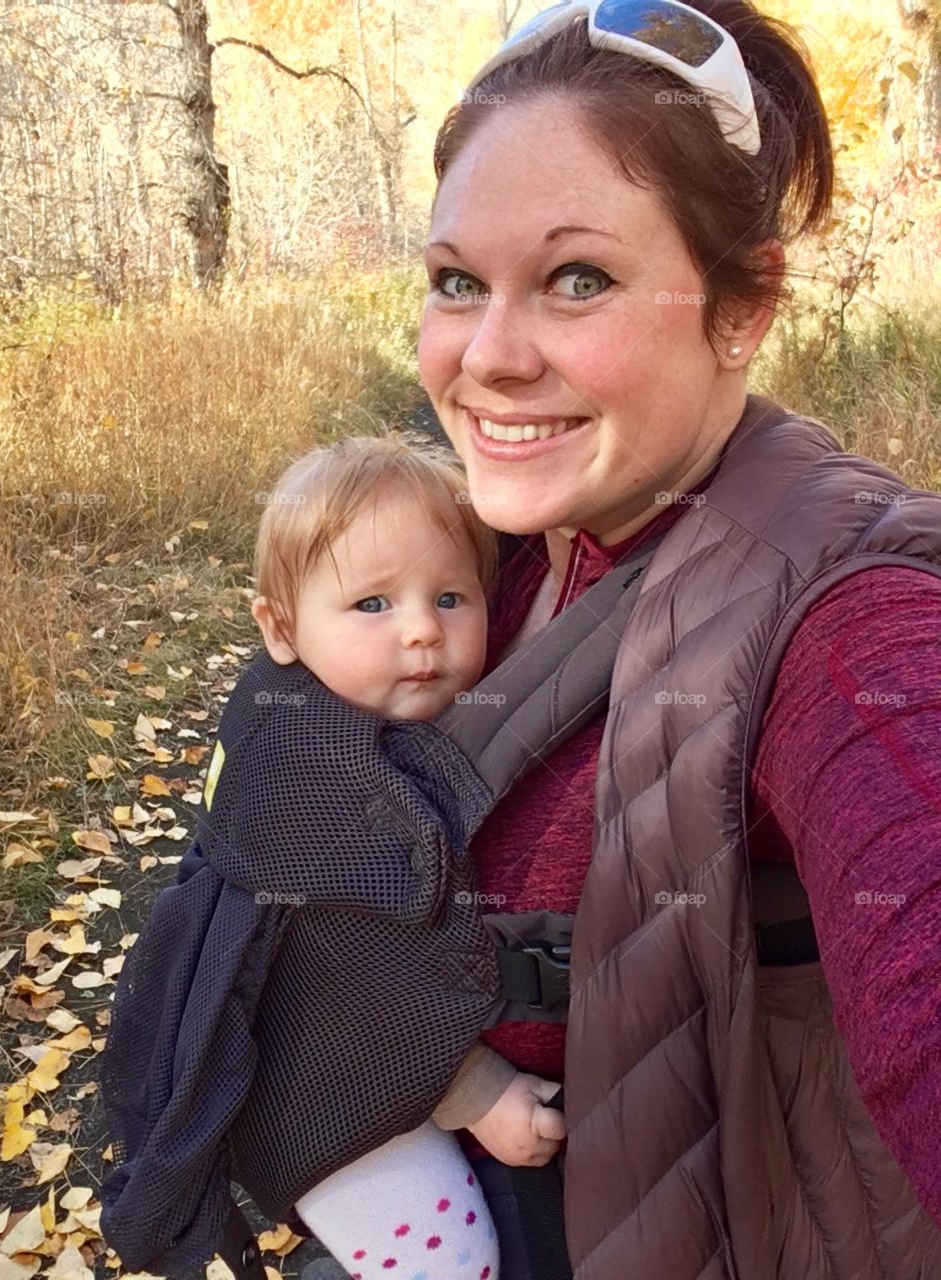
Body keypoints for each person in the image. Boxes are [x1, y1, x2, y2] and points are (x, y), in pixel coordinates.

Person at [412, 1, 941, 1277]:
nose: (486, 357)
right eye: (455, 283)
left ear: (743, 306)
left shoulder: (844, 609)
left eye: (576, 278)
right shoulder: (474, 551)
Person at [242, 433, 567, 1280]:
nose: (423, 631)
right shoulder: (316, 781)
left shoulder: (348, 719)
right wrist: (480, 1093)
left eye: (453, 597)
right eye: (373, 606)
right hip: (329, 1098)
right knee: (454, 1260)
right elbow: (357, 974)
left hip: (358, 1082)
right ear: (280, 628)